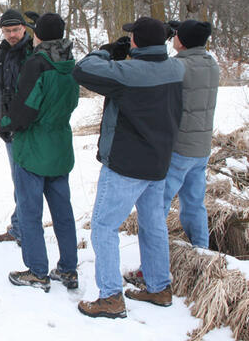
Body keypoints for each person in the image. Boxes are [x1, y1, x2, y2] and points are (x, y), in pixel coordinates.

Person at [73, 17, 185, 319]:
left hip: (126, 165)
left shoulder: (130, 73)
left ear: (135, 41)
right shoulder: (176, 68)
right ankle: (160, 286)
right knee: (153, 225)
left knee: (104, 227)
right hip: (158, 162)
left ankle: (110, 296)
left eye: (130, 37)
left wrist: (107, 50)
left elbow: (82, 70)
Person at [123, 19, 219, 287]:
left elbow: (156, 68)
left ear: (182, 41)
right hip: (201, 149)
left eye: (175, 36)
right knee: (194, 205)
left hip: (178, 151)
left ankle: (149, 270)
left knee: (154, 211)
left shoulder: (179, 66)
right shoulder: (211, 63)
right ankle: (203, 256)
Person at [0, 13, 79, 293]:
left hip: (33, 147)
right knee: (63, 212)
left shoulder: (36, 64)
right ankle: (69, 269)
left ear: (40, 36)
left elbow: (26, 109)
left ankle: (36, 271)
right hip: (60, 144)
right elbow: (72, 101)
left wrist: (7, 123)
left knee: (30, 211)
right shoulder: (70, 62)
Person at [0, 9, 34, 244]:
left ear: (24, 28)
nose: (12, 35)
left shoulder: (34, 53)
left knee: (29, 181)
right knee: (19, 180)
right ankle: (20, 227)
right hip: (9, 129)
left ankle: (26, 229)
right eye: (7, 31)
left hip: (34, 129)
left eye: (16, 30)